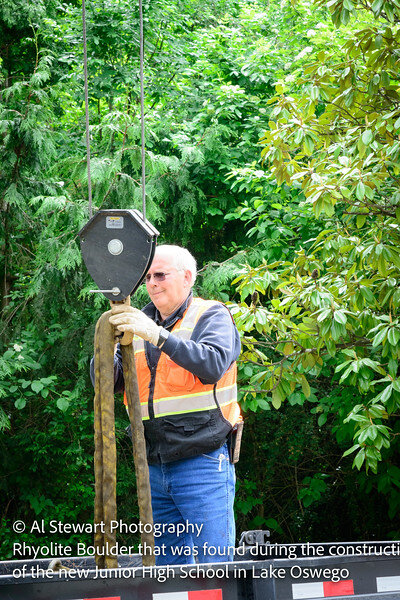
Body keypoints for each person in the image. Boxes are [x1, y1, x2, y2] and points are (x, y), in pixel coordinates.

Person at [105, 244, 241, 565]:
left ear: (187, 277)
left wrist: (156, 335)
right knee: (167, 578)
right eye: (148, 276)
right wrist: (106, 345)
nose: (152, 283)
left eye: (161, 275)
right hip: (152, 465)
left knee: (214, 570)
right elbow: (104, 385)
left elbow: (212, 364)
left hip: (202, 461)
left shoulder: (211, 315)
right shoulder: (136, 325)